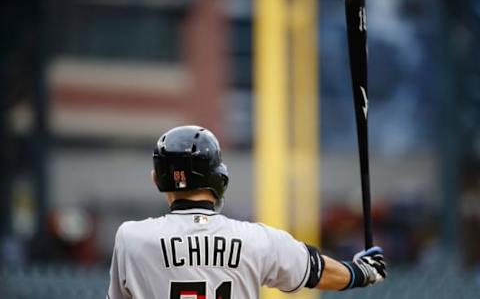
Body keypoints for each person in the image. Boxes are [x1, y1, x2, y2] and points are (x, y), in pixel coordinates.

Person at [107, 125, 386, 299]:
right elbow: (318, 272)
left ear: (157, 179)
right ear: (218, 178)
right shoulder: (256, 239)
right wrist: (362, 272)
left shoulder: (131, 238)